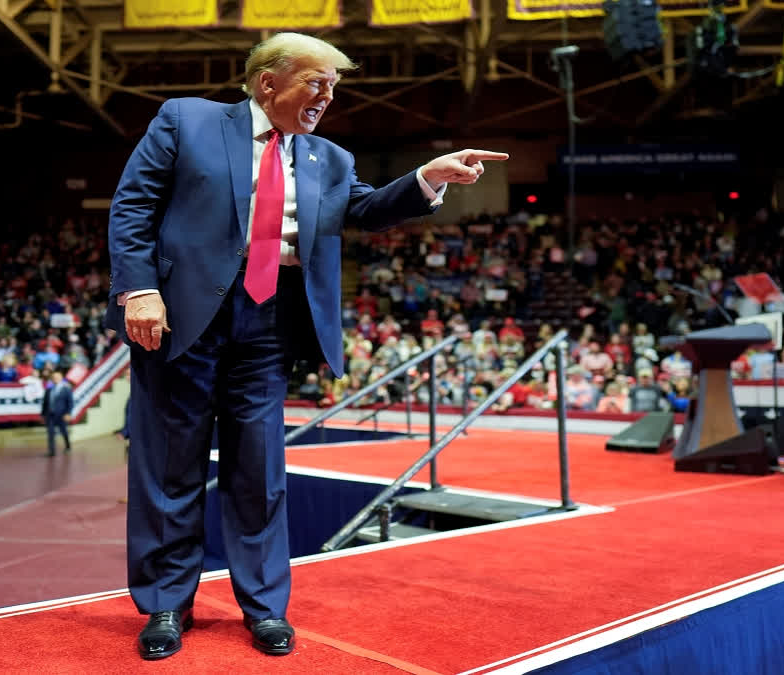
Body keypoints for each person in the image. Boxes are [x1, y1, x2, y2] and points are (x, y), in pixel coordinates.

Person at [106, 31, 507, 660]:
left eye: (334, 85)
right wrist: (138, 291)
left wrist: (428, 177)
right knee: (169, 468)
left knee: (260, 473)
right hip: (181, 318)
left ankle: (264, 608)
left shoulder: (331, 158)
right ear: (269, 82)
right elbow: (133, 206)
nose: (327, 95)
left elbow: (369, 210)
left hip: (270, 325)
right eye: (317, 81)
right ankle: (163, 605)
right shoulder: (186, 120)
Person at [41, 370, 73, 456]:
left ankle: (67, 446)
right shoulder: (48, 390)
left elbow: (70, 402)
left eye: (57, 377)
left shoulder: (66, 389)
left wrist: (68, 413)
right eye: (54, 377)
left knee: (64, 431)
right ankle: (51, 451)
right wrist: (43, 415)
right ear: (52, 379)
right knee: (50, 433)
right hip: (50, 415)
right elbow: (45, 403)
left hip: (62, 415)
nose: (55, 379)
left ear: (61, 378)